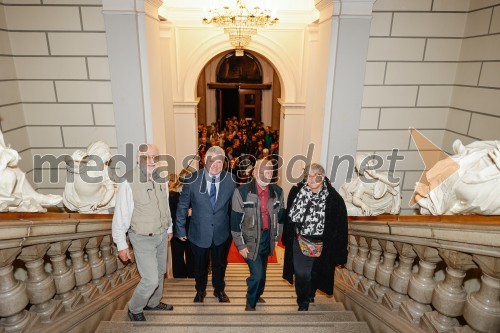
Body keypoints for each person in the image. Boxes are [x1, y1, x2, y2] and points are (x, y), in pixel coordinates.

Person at [112, 144, 173, 322]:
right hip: (142, 238)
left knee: (161, 272)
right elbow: (121, 215)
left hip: (161, 235)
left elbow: (166, 205)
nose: (151, 161)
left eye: (155, 157)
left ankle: (153, 303)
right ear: (138, 159)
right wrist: (121, 244)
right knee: (151, 279)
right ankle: (134, 307)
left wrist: (169, 228)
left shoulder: (161, 178)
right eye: (147, 157)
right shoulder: (128, 181)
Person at [282, 163, 348, 311]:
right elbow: (289, 218)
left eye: (315, 176)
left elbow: (341, 227)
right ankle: (303, 302)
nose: (311, 179)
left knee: (314, 273)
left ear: (322, 177)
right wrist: (286, 237)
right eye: (308, 176)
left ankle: (310, 292)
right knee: (301, 273)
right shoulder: (297, 192)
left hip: (321, 243)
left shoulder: (334, 199)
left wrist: (340, 253)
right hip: (299, 239)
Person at [176, 146, 236, 303]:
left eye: (220, 161)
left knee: (220, 264)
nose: (216, 165)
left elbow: (234, 207)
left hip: (222, 232)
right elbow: (183, 204)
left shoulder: (230, 180)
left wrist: (236, 230)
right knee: (200, 266)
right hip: (199, 231)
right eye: (212, 161)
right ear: (205, 160)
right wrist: (180, 228)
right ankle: (200, 290)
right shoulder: (192, 179)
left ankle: (219, 290)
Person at [231, 159, 285, 311]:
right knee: (258, 273)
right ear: (254, 173)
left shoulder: (278, 192)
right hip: (250, 240)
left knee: (263, 271)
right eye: (262, 172)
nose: (266, 176)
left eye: (269, 172)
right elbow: (235, 223)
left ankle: (258, 293)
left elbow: (280, 219)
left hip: (267, 238)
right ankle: (250, 302)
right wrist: (240, 245)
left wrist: (276, 239)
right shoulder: (242, 192)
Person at [168, 171, 195, 278]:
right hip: (176, 228)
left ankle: (191, 274)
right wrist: (186, 212)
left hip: (191, 228)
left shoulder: (193, 194)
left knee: (191, 253)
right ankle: (180, 276)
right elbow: (170, 213)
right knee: (177, 255)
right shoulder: (172, 195)